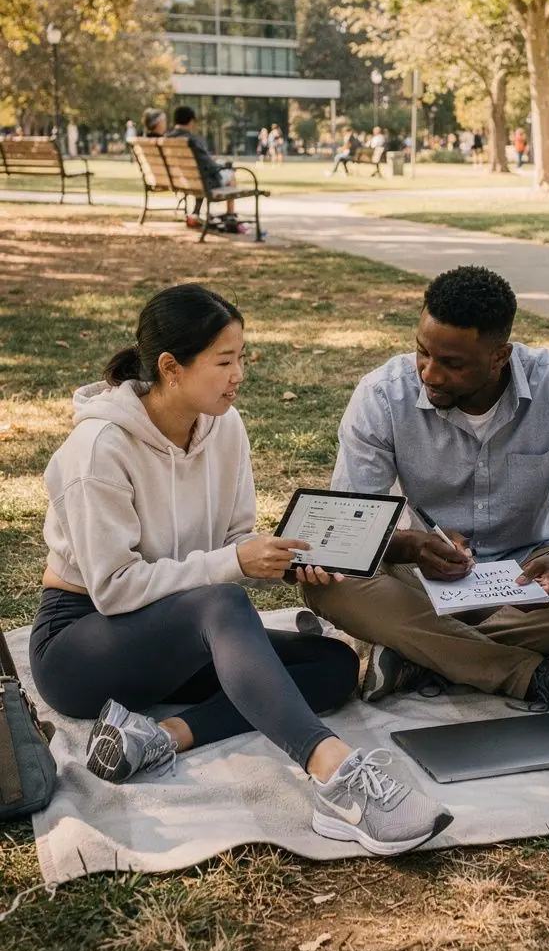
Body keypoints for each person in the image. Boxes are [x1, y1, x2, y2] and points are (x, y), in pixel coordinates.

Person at [29, 285, 450, 856]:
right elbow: (115, 587)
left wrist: (284, 562)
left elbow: (233, 542)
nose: (239, 375)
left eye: (242, 357)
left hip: (178, 634)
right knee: (224, 605)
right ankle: (336, 775)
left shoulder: (224, 427)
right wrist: (233, 563)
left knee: (331, 664)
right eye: (225, 361)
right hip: (82, 646)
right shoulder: (98, 449)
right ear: (171, 368)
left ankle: (162, 736)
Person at [303, 266, 549, 709]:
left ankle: (422, 653)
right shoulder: (381, 396)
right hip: (420, 582)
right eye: (422, 353)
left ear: (499, 356)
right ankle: (532, 674)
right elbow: (350, 526)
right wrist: (414, 547)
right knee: (329, 584)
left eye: (452, 363)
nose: (430, 374)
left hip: (535, 581)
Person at [167, 105, 243, 233]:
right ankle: (230, 217)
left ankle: (195, 213)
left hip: (182, 180)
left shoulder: (168, 138)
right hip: (202, 182)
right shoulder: (191, 141)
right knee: (229, 174)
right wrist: (225, 166)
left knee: (200, 174)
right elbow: (210, 166)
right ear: (191, 121)